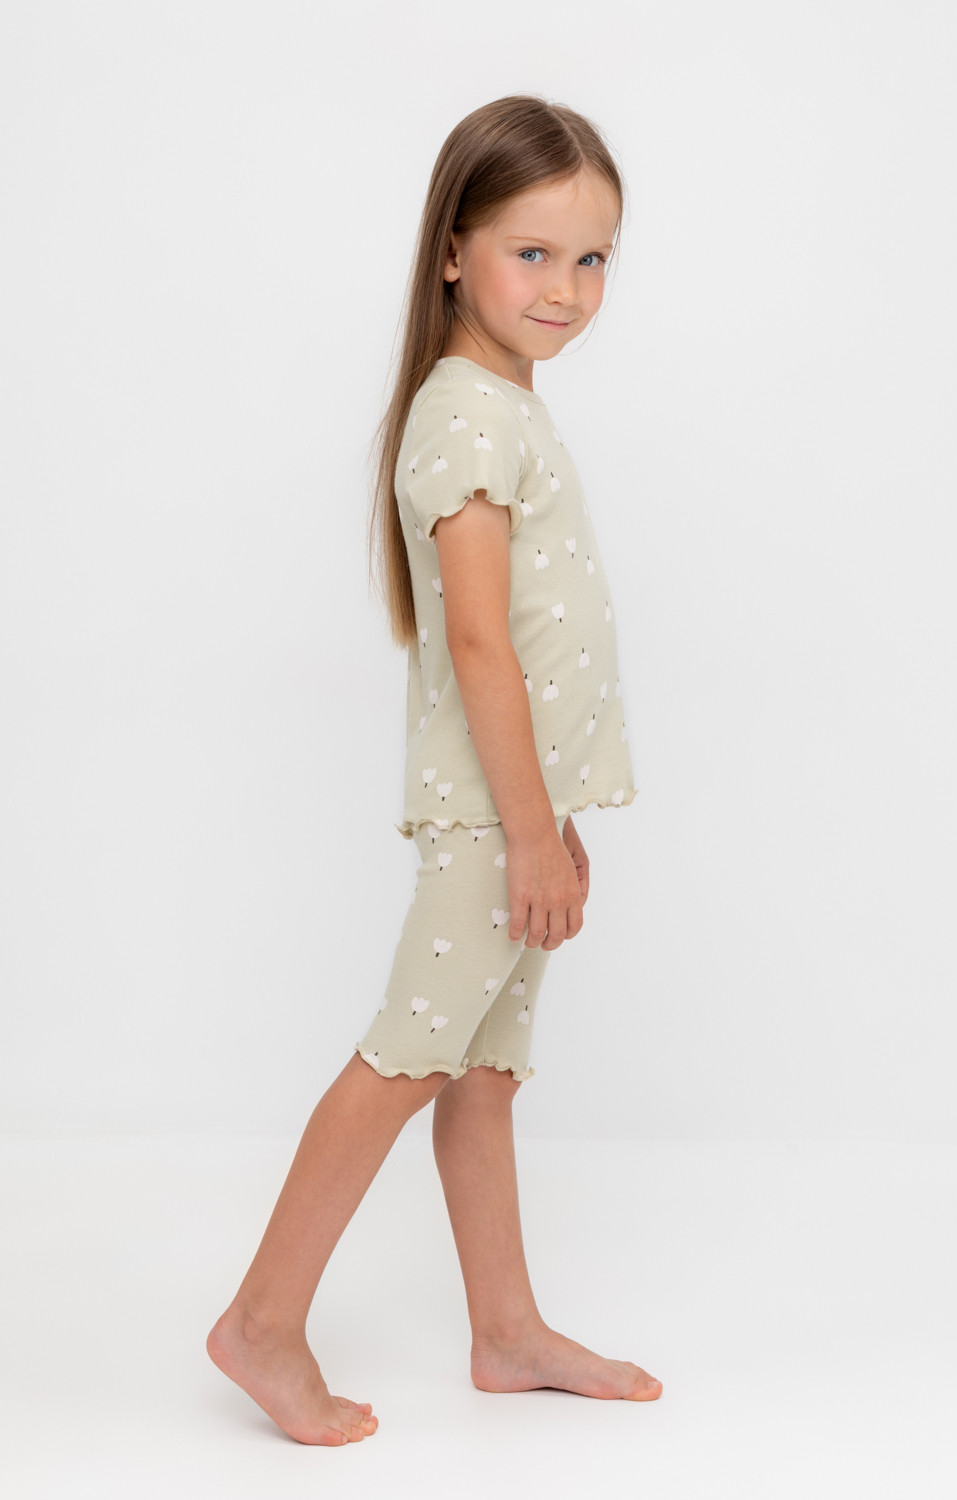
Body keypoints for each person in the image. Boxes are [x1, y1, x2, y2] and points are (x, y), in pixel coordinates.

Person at [206, 93, 661, 1448]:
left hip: (517, 812)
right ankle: (262, 1322)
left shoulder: (501, 407)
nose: (567, 288)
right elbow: (478, 643)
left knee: (482, 1074)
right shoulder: (464, 417)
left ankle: (505, 1331)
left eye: (592, 259)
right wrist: (522, 831)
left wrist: (553, 821)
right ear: (453, 252)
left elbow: (525, 640)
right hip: (486, 818)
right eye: (534, 253)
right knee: (408, 1057)